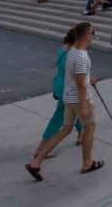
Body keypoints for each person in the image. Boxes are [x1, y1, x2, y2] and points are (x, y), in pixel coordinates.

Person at [27, 21, 104, 179]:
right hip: (80, 99)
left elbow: (76, 76)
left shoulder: (71, 51)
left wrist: (90, 78)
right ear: (85, 36)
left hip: (68, 97)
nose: (94, 35)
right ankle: (87, 163)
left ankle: (36, 162)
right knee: (90, 128)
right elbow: (80, 85)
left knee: (65, 129)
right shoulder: (82, 56)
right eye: (92, 33)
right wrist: (83, 106)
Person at [33, 28, 84, 159]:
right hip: (67, 88)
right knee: (59, 118)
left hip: (59, 84)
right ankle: (42, 148)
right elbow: (77, 77)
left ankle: (81, 134)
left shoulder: (64, 48)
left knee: (74, 110)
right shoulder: (73, 54)